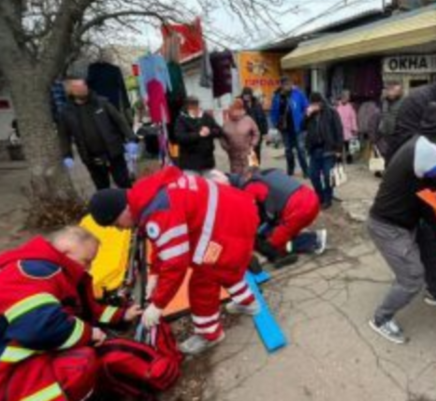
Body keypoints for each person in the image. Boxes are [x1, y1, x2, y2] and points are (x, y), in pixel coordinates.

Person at [88, 166, 260, 355]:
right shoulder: (147, 196)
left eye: (116, 224)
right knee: (224, 267)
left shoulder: (157, 212)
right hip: (236, 213)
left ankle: (210, 334)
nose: (121, 229)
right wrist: (155, 273)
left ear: (124, 211)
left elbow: (175, 263)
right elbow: (163, 241)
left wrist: (158, 305)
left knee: (203, 281)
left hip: (229, 228)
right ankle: (247, 302)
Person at [0, 226, 180, 401]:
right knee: (80, 365)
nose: (89, 267)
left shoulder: (53, 270)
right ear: (66, 252)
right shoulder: (31, 274)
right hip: (11, 375)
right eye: (86, 260)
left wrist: (122, 315)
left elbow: (87, 310)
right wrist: (89, 333)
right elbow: (40, 327)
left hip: (26, 359)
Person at [368, 135, 436, 344]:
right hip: (388, 227)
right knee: (412, 277)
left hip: (409, 220)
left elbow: (428, 196)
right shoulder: (427, 151)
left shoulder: (421, 143)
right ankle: (381, 318)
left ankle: (433, 290)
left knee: (430, 251)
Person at [224, 167, 327, 269]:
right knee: (275, 231)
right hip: (311, 199)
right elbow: (269, 204)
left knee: (274, 245)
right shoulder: (271, 173)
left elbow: (251, 213)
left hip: (299, 210)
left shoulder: (251, 186)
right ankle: (305, 238)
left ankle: (314, 240)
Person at [59, 77, 138, 189]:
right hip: (91, 158)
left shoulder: (101, 103)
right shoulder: (66, 112)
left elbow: (120, 121)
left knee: (124, 183)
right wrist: (67, 155)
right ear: (70, 91)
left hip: (114, 152)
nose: (83, 88)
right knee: (102, 188)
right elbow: (64, 136)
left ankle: (129, 199)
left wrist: (131, 139)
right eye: (78, 87)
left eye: (84, 85)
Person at [305, 92, 344, 210]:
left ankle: (328, 199)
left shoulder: (332, 112)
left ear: (321, 102)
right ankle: (320, 197)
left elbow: (339, 130)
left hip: (329, 150)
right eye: (312, 103)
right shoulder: (310, 114)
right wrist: (307, 116)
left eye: (316, 103)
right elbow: (301, 127)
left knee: (328, 176)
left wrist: (339, 149)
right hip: (314, 150)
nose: (315, 106)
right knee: (313, 175)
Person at [174, 96, 223, 176]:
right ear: (187, 106)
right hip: (190, 164)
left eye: (196, 105)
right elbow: (180, 137)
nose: (195, 108)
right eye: (192, 105)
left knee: (209, 183)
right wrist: (198, 135)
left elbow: (219, 131)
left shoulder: (206, 117)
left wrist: (210, 132)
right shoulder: (181, 119)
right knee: (193, 184)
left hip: (207, 162)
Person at [270, 76, 309, 177]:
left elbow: (306, 107)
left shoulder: (298, 94)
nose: (287, 86)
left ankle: (306, 170)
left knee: (301, 149)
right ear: (282, 85)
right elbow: (273, 111)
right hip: (285, 128)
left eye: (289, 83)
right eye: (285, 84)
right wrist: (275, 123)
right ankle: (290, 169)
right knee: (288, 150)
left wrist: (304, 120)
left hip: (298, 127)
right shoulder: (277, 96)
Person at [221, 98, 260, 175]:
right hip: (234, 155)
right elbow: (222, 137)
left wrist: (253, 145)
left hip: (249, 152)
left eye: (236, 109)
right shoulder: (226, 123)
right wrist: (226, 147)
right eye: (232, 109)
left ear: (241, 110)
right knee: (236, 177)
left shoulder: (248, 120)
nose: (234, 112)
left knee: (253, 175)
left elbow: (256, 133)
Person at [241, 87, 269, 163]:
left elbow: (263, 119)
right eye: (245, 94)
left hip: (257, 133)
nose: (246, 96)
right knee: (250, 152)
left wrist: (265, 132)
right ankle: (253, 167)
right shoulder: (240, 105)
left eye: (248, 94)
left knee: (257, 151)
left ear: (251, 95)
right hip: (246, 134)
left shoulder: (257, 105)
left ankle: (256, 167)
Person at [336, 90, 358, 164]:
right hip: (339, 129)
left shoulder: (350, 107)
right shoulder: (338, 107)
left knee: (348, 145)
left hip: (348, 130)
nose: (345, 99)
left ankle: (349, 157)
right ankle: (339, 158)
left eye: (347, 97)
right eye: (344, 97)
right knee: (339, 146)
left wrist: (354, 128)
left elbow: (353, 118)